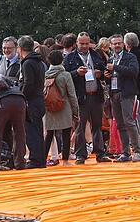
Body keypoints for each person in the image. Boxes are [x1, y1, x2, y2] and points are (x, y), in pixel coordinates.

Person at [63, 32, 109, 164]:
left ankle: (100, 153)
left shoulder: (96, 54)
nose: (84, 46)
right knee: (80, 127)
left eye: (86, 43)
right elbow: (66, 76)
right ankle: (80, 155)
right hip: (80, 97)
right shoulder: (70, 58)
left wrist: (101, 74)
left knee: (97, 126)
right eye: (81, 43)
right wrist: (76, 73)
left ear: (90, 43)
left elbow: (104, 71)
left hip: (96, 95)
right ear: (76, 43)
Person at [42, 49, 79, 167]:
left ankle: (43, 159)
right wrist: (75, 111)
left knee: (49, 134)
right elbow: (72, 95)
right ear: (62, 60)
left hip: (49, 107)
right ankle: (65, 161)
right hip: (64, 106)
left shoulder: (46, 75)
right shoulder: (66, 75)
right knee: (66, 133)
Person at [106, 33, 140, 162]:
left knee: (129, 121)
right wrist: (106, 75)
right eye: (114, 43)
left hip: (126, 93)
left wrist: (115, 67)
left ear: (123, 44)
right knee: (120, 124)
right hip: (114, 92)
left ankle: (137, 151)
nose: (117, 45)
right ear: (111, 45)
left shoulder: (130, 57)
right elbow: (110, 75)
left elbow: (133, 72)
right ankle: (125, 152)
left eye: (119, 43)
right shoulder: (110, 59)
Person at [17, 36, 47, 169]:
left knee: (31, 132)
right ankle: (40, 159)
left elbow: (28, 83)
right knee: (38, 131)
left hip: (31, 101)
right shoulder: (39, 62)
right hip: (39, 99)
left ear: (20, 48)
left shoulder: (27, 63)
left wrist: (21, 96)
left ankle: (35, 159)